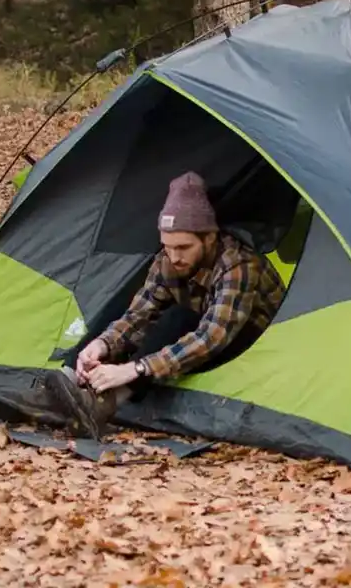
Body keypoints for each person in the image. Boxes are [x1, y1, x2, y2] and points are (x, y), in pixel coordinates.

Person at [35, 170, 288, 440]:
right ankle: (68, 381)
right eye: (168, 246)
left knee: (179, 317)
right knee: (123, 305)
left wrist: (134, 369)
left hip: (253, 351)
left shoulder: (239, 265)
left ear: (210, 238)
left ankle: (107, 403)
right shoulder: (168, 259)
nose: (174, 256)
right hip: (200, 341)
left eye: (184, 247)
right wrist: (103, 344)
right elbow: (139, 314)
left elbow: (211, 338)